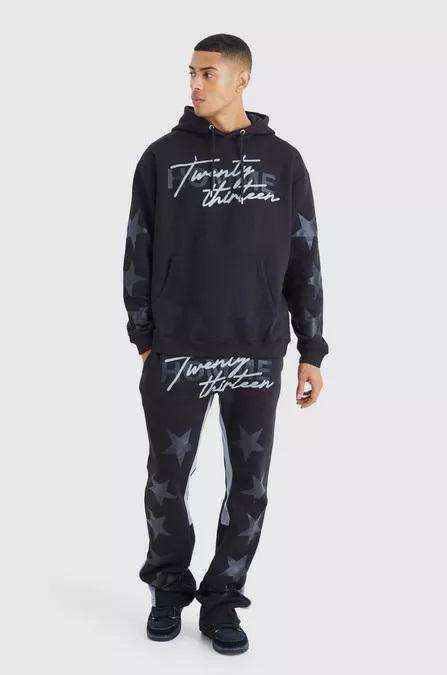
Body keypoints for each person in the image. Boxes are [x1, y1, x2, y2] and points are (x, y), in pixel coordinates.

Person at [122, 33, 329, 655]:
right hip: (178, 347)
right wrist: (144, 337)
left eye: (208, 73)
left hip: (257, 348)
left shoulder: (283, 162)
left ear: (242, 78)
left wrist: (311, 348)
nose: (195, 84)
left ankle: (222, 599)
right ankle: (167, 587)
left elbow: (305, 255)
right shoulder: (162, 158)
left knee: (250, 484)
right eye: (191, 72)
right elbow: (138, 248)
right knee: (166, 479)